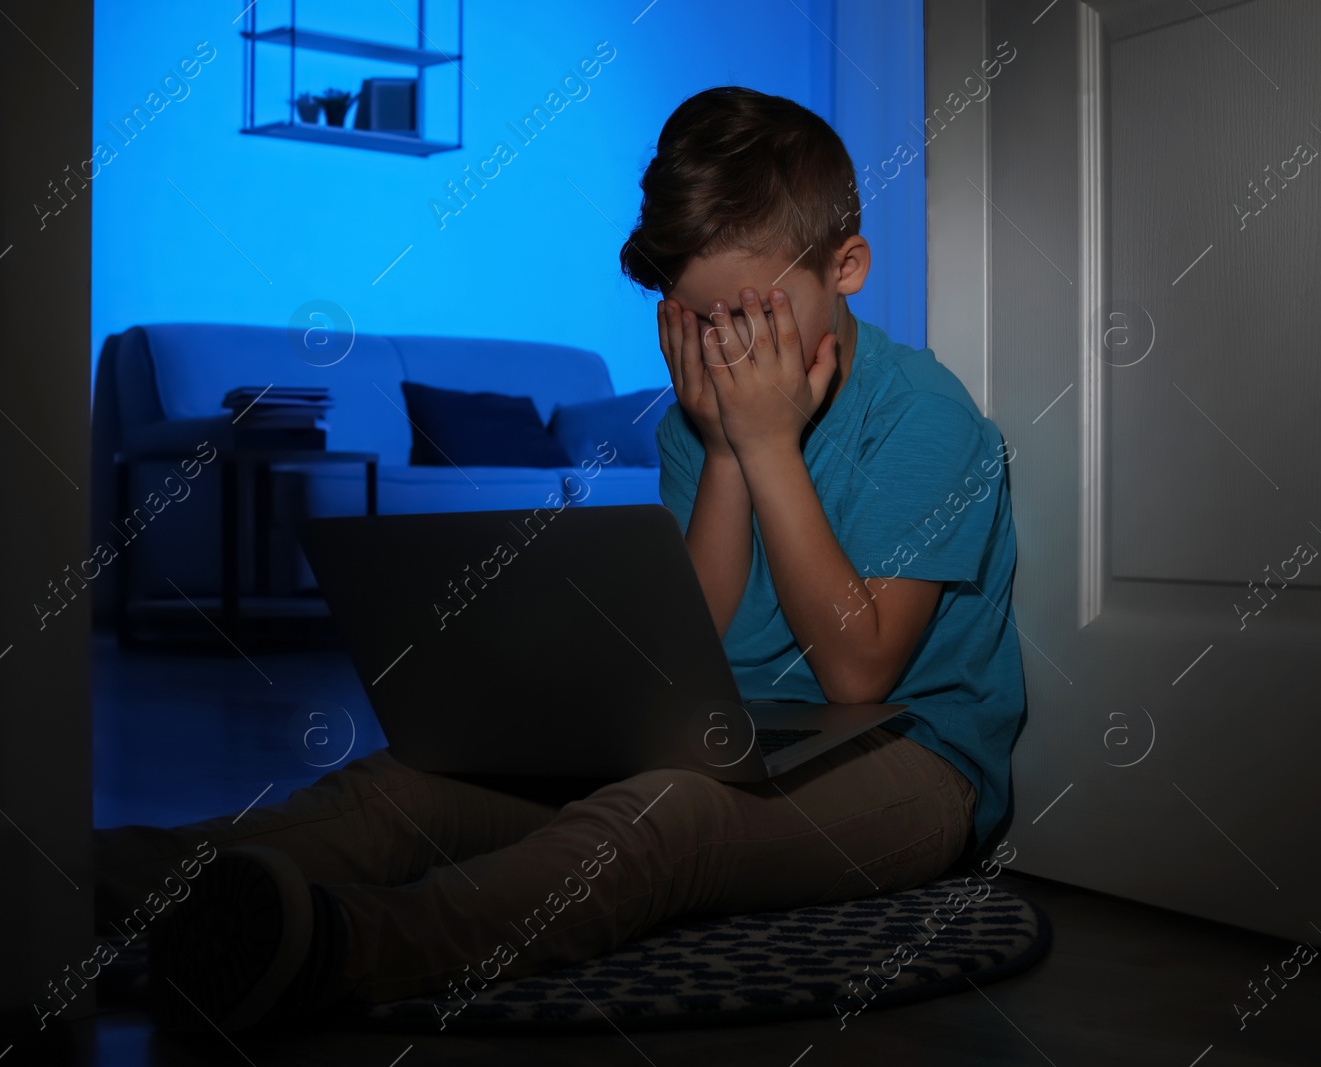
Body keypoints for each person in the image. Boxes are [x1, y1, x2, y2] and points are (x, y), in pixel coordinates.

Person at [91, 85, 1027, 1036]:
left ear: (848, 267)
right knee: (405, 787)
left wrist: (769, 445)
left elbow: (858, 668)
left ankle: (343, 947)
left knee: (664, 822)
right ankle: (96, 881)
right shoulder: (693, 424)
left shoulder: (926, 418)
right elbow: (684, 654)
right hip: (720, 739)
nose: (731, 353)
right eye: (702, 324)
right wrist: (722, 451)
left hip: (910, 761)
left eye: (755, 316)